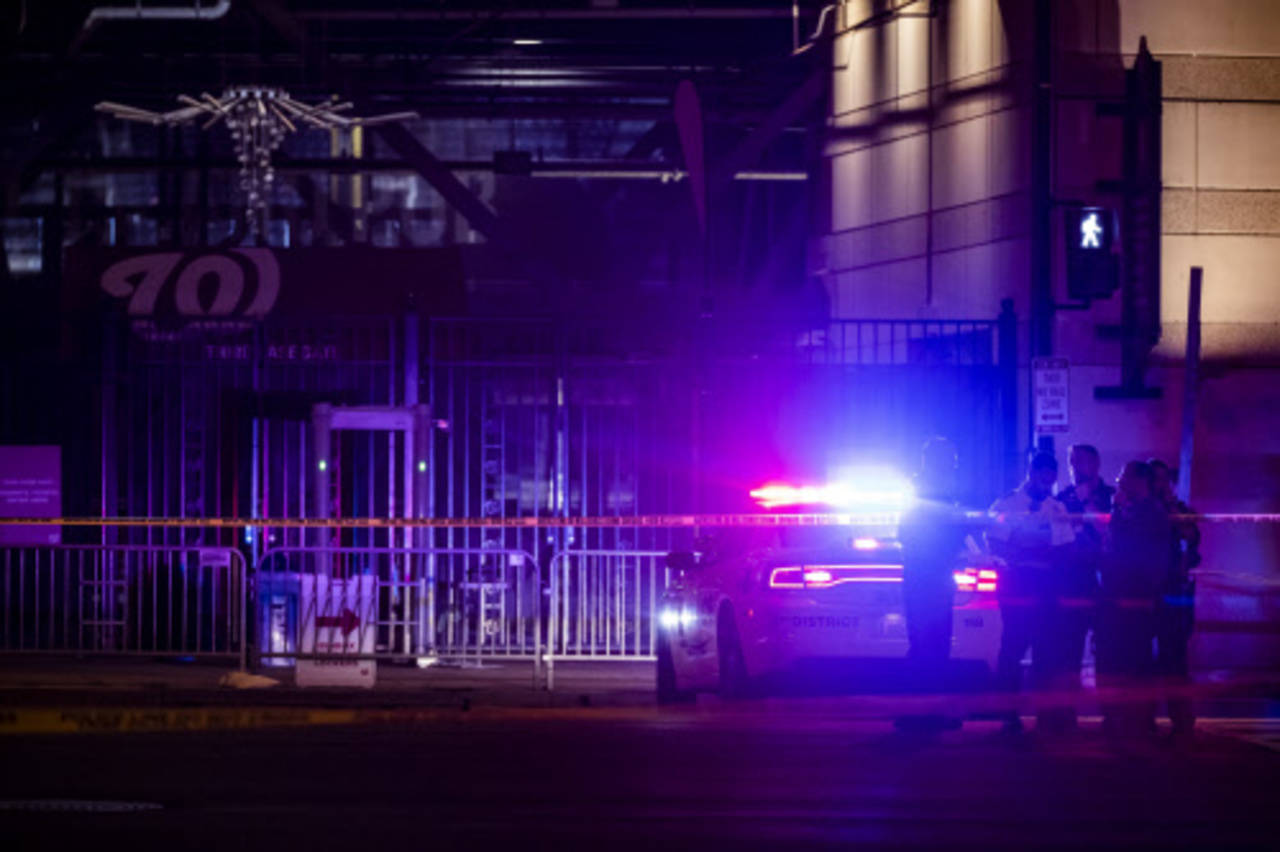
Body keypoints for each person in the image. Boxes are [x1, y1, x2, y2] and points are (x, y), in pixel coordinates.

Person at [986, 451, 1075, 733]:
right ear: (1031, 472)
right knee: (1012, 647)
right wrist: (1031, 548)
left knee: (1045, 651)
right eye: (1042, 478)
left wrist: (1025, 546)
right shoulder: (1007, 504)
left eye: (1050, 481)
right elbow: (996, 543)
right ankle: (1007, 715)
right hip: (1017, 583)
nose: (1045, 486)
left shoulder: (1056, 507)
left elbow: (1065, 548)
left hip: (1046, 585)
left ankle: (1045, 716)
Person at [895, 437, 970, 732]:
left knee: (930, 644)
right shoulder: (929, 494)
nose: (953, 465)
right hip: (928, 577)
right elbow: (915, 535)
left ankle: (924, 712)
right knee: (931, 643)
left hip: (927, 576)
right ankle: (922, 714)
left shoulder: (924, 491)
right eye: (949, 459)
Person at [1097, 461, 1171, 737]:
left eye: (1124, 475)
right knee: (1123, 659)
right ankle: (1127, 719)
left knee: (1133, 661)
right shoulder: (1133, 511)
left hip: (1133, 596)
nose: (1118, 479)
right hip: (1124, 595)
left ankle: (1136, 721)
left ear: (1139, 480)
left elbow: (1132, 554)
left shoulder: (1148, 513)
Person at [1050, 444, 1115, 731]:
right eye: (1072, 462)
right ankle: (1064, 715)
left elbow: (1112, 536)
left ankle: (1113, 716)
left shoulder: (1112, 497)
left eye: (1083, 462)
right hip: (1073, 583)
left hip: (1106, 583)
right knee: (1068, 650)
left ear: (1097, 464)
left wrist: (1088, 508)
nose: (1077, 468)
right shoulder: (1062, 498)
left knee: (1110, 652)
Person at [1149, 459, 1201, 741]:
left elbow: (1191, 540)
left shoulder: (1179, 511)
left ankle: (1181, 721)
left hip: (1174, 594)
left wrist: (1171, 510)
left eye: (1163, 479)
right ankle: (1143, 719)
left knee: (1174, 660)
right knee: (1141, 660)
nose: (1160, 485)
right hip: (1145, 594)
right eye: (1154, 479)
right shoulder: (1141, 512)